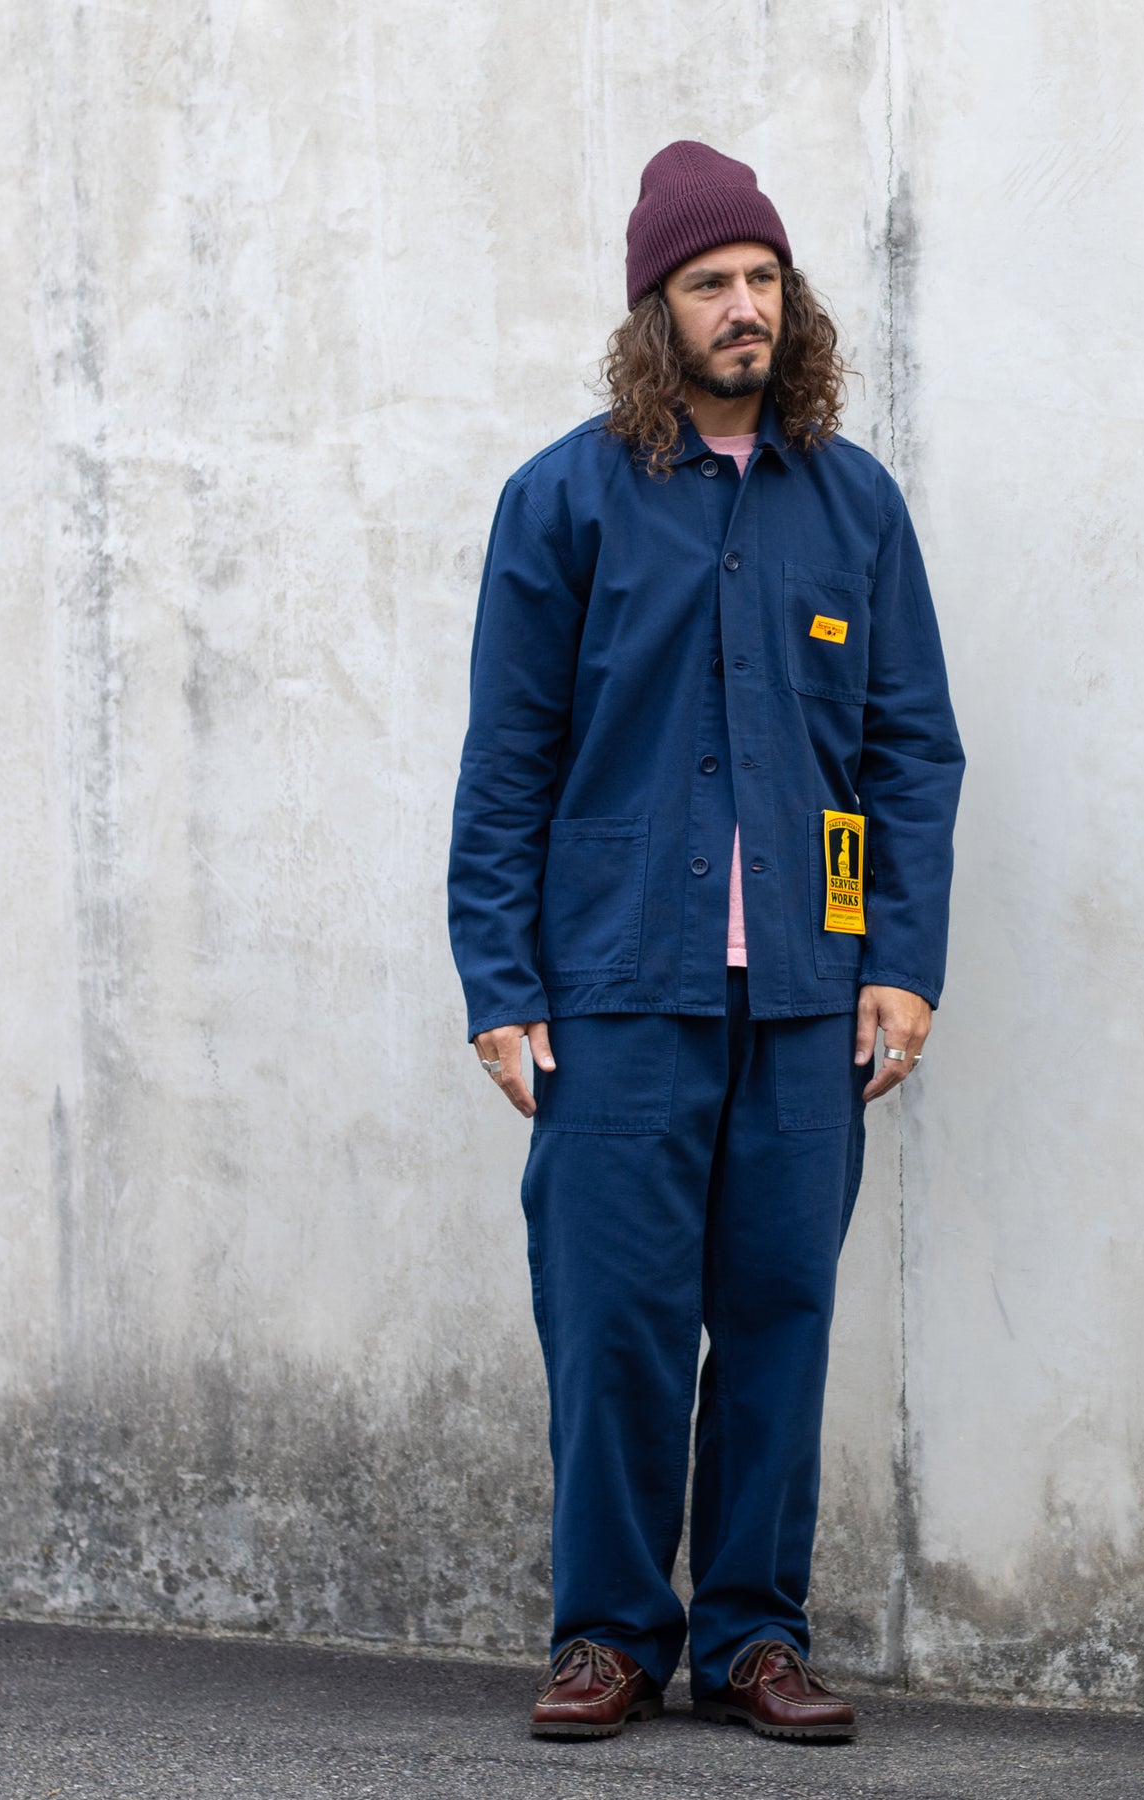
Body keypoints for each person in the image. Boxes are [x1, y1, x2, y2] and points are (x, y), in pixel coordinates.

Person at [447, 139, 964, 1744]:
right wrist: (500, 983)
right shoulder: (563, 500)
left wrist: (901, 960)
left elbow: (910, 751)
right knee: (614, 1325)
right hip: (616, 991)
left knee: (779, 1325)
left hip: (807, 997)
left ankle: (754, 1637)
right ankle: (608, 1635)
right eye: (709, 284)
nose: (745, 307)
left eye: (763, 280)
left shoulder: (854, 505)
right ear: (653, 312)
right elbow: (508, 762)